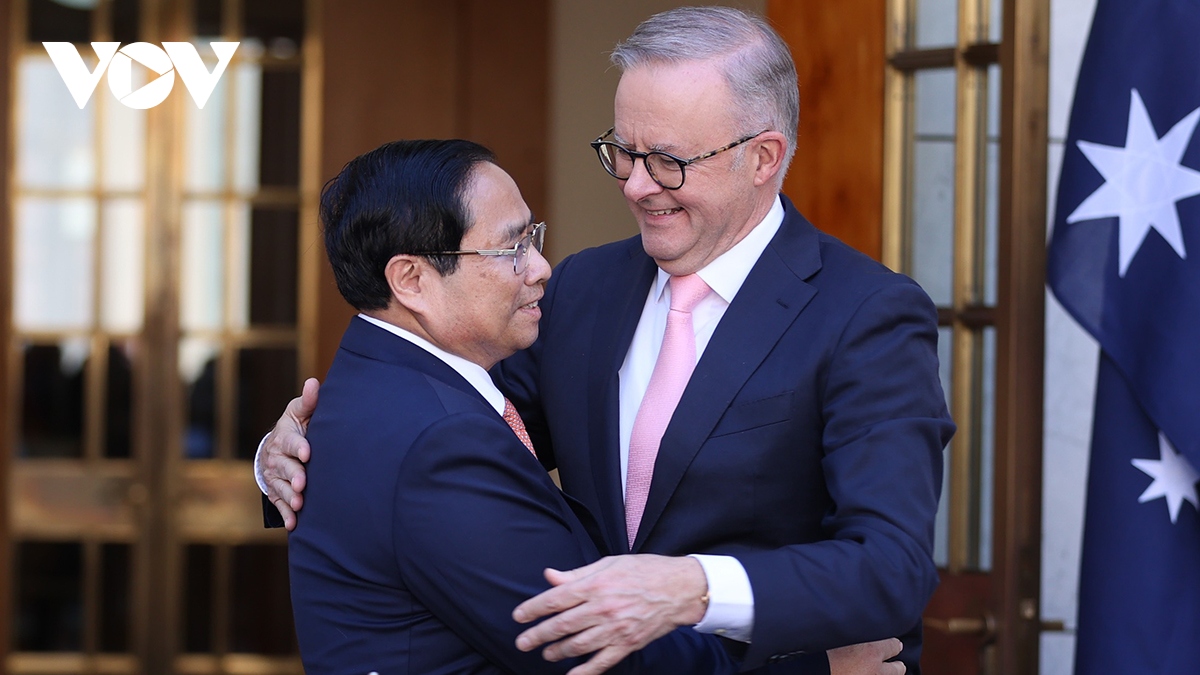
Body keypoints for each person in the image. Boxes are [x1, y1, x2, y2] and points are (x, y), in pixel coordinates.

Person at [263, 6, 953, 673]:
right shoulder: (584, 286)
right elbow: (445, 434)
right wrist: (299, 452)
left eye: (668, 160)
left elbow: (891, 568)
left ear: (762, 157)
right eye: (623, 152)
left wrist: (694, 587)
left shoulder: (867, 314)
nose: (636, 186)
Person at [291, 137, 765, 673]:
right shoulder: (442, 444)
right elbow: (585, 645)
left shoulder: (369, 384)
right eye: (511, 248)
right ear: (412, 280)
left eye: (532, 237)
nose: (540, 268)